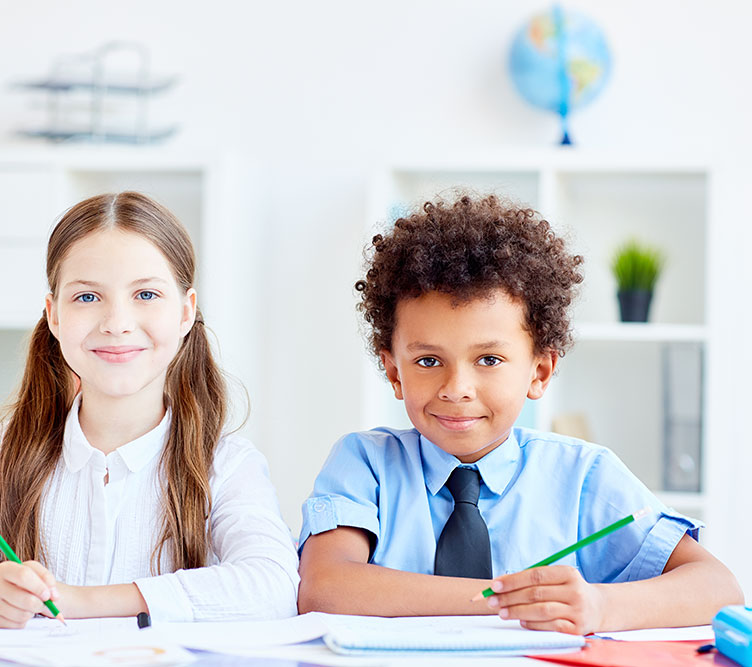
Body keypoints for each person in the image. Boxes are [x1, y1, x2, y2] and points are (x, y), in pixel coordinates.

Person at [297, 193, 743, 634]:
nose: (456, 390)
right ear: (394, 371)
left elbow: (718, 587)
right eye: (428, 361)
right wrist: (510, 601)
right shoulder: (365, 464)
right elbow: (326, 587)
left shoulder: (585, 475)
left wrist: (600, 605)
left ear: (540, 371)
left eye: (489, 360)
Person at [0, 192, 298, 626]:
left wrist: (82, 601)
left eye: (146, 294)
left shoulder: (226, 466)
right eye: (87, 298)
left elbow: (273, 586)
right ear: (53, 316)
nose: (117, 323)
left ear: (186, 312)